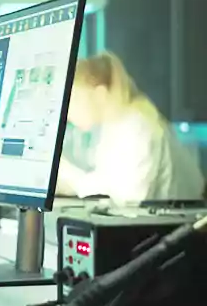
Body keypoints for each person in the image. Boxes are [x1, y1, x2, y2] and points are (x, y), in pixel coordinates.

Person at [56, 51, 205, 203]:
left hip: (173, 222)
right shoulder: (114, 126)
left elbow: (126, 197)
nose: (68, 111)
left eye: (74, 100)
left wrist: (65, 171)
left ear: (100, 94)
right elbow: (104, 182)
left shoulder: (138, 126)